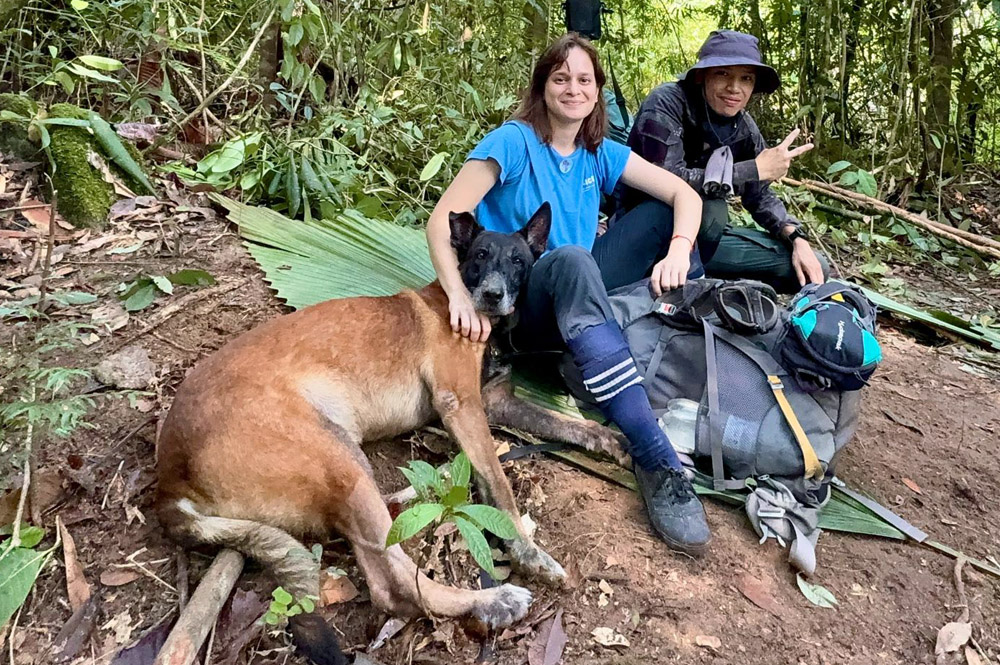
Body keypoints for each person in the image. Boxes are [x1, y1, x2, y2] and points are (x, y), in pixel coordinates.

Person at [426, 33, 712, 555]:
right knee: (575, 260)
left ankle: (634, 336)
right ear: (543, 87)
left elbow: (684, 194)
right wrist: (458, 298)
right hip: (523, 305)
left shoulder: (597, 153)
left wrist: (677, 249)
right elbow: (441, 220)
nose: (573, 89)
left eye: (584, 80)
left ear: (597, 92)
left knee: (661, 217)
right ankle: (654, 455)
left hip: (575, 292)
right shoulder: (512, 142)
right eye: (561, 78)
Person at [619, 30, 828, 293]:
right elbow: (667, 179)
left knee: (813, 268)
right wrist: (751, 169)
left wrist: (796, 236)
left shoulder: (744, 127)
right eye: (723, 74)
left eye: (746, 78)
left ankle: (704, 277)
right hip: (646, 230)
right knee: (714, 210)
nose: (734, 88)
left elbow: (760, 196)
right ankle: (677, 280)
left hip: (703, 242)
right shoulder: (666, 103)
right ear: (702, 75)